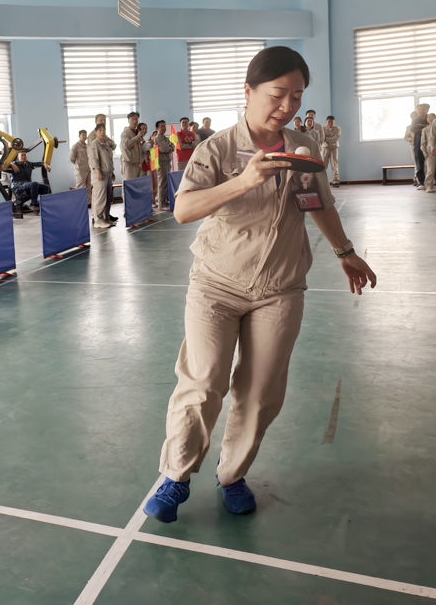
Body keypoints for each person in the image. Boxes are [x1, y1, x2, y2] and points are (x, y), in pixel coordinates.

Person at [142, 47, 376, 525]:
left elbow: (317, 203)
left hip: (280, 287)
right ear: (248, 92)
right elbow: (183, 210)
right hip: (216, 284)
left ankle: (232, 475)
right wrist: (244, 180)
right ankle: (175, 475)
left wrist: (345, 251)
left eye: (297, 96)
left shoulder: (303, 148)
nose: (287, 106)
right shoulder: (216, 149)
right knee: (204, 381)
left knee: (262, 391)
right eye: (277, 94)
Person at [88, 123, 116, 228]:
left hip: (107, 174)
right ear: (95, 133)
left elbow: (108, 160)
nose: (102, 132)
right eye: (100, 130)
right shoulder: (94, 144)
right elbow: (94, 160)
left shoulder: (105, 144)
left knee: (107, 198)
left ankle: (106, 218)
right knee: (100, 198)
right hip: (99, 175)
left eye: (104, 130)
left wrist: (112, 172)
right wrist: (98, 172)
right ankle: (98, 220)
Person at [151, 120, 175, 209]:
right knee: (162, 183)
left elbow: (173, 146)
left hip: (167, 162)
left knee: (166, 182)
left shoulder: (165, 138)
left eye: (164, 126)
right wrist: (169, 147)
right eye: (161, 126)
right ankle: (161, 204)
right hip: (162, 163)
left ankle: (164, 201)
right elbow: (164, 149)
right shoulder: (158, 138)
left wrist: (169, 147)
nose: (164, 128)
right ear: (157, 128)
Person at [406, 105, 430, 190]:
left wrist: (422, 129)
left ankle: (434, 182)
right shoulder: (415, 121)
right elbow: (413, 130)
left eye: (423, 109)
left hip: (430, 145)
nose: (421, 111)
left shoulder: (430, 118)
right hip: (418, 145)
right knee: (419, 164)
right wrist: (424, 129)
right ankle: (421, 183)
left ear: (427, 110)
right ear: (417, 111)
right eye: (419, 110)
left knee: (432, 164)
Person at [69, 129, 91, 203]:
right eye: (83, 135)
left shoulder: (88, 146)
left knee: (88, 187)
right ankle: (80, 203)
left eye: (85, 135)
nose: (84, 136)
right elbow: (71, 158)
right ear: (79, 136)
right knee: (80, 187)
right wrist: (78, 164)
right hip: (80, 170)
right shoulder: (75, 146)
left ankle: (89, 203)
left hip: (88, 169)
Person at [120, 111, 143, 180]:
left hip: (138, 164)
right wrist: (137, 137)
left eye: (136, 119)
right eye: (132, 119)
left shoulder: (137, 132)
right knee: (129, 184)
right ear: (128, 120)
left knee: (137, 185)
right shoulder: (125, 133)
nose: (135, 121)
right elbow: (126, 145)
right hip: (129, 165)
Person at [322, 115, 341, 188]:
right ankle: (323, 182)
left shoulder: (337, 129)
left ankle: (335, 181)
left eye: (332, 122)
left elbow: (335, 138)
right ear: (326, 122)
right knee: (323, 165)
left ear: (334, 122)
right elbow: (322, 138)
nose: (330, 124)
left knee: (334, 165)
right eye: (329, 122)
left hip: (334, 148)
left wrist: (327, 139)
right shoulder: (322, 128)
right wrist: (328, 139)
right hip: (325, 148)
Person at [421, 113, 436, 191]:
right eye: (428, 118)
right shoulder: (425, 130)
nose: (430, 119)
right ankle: (428, 185)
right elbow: (423, 142)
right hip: (429, 150)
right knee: (430, 169)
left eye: (432, 117)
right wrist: (424, 152)